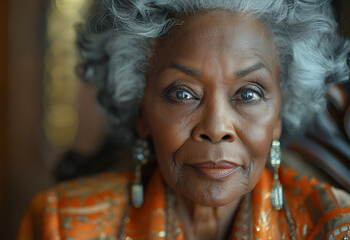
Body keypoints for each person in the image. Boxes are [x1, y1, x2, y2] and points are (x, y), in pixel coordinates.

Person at [17, 0, 350, 239]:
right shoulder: (61, 226)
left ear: (280, 114)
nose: (216, 129)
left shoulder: (336, 226)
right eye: (182, 94)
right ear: (141, 111)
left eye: (248, 94)